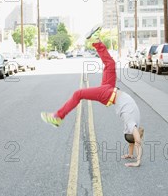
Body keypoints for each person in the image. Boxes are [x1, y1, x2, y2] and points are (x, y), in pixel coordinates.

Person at [41, 26, 144, 167]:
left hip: (109, 95)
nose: (127, 132)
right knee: (110, 64)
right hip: (110, 90)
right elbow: (135, 140)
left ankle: (57, 117)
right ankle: (95, 40)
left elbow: (134, 139)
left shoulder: (132, 122)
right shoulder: (132, 125)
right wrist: (134, 158)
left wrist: (136, 160)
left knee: (79, 94)